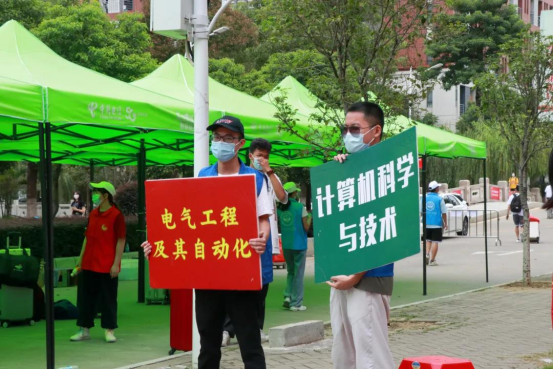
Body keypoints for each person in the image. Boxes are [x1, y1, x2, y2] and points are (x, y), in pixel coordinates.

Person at [142, 116, 271, 369]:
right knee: (208, 344)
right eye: (217, 137)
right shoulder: (203, 176)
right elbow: (187, 222)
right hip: (208, 274)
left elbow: (263, 220)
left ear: (240, 143)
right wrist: (157, 245)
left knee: (249, 342)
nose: (221, 143)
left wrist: (262, 237)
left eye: (228, 138)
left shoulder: (254, 178)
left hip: (242, 274)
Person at [329, 101, 395, 369]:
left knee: (370, 355)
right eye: (345, 129)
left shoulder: (390, 171)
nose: (348, 135)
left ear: (375, 130)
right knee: (344, 352)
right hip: (341, 274)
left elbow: (382, 229)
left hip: (368, 278)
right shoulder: (351, 167)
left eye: (355, 129)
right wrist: (339, 171)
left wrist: (355, 276)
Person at [221, 138, 288, 346]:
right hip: (240, 238)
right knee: (236, 283)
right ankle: (227, 329)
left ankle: (256, 327)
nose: (262, 160)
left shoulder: (268, 177)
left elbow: (283, 198)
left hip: (265, 239)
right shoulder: (239, 176)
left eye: (266, 157)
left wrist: (269, 171)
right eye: (259, 156)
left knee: (262, 284)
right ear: (250, 155)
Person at [70, 181, 126, 343]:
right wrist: (80, 261)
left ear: (106, 195)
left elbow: (121, 241)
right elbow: (87, 239)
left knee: (108, 299)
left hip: (107, 265)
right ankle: (84, 329)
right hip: (89, 264)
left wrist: (116, 264)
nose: (94, 195)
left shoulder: (116, 215)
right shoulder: (93, 214)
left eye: (97, 192)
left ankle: (109, 330)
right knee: (85, 299)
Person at [277, 182, 311, 311]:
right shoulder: (299, 207)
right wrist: (310, 216)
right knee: (298, 274)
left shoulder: (280, 209)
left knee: (290, 272)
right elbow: (306, 227)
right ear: (294, 193)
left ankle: (287, 296)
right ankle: (296, 303)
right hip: (299, 245)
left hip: (286, 244)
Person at [423, 181, 448, 266]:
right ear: (436, 189)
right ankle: (432, 260)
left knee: (428, 240)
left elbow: (420, 211)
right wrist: (445, 223)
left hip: (426, 223)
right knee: (435, 241)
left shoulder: (424, 198)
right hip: (436, 223)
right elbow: (444, 213)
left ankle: (427, 254)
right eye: (438, 187)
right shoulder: (439, 199)